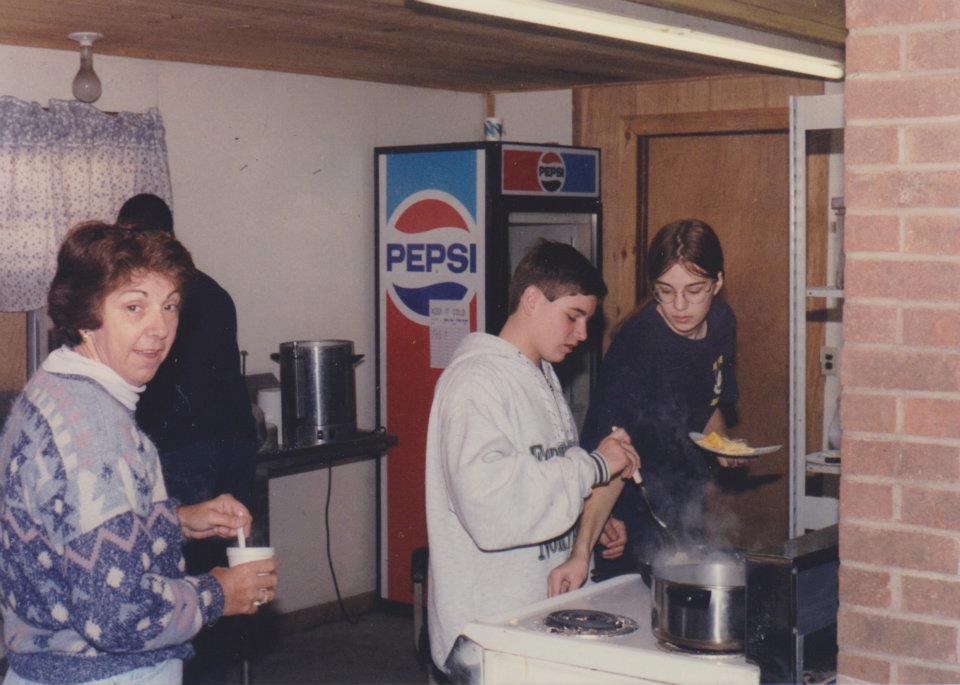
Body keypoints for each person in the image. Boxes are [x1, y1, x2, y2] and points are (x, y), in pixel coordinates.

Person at [0, 223, 278, 685]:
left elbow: (70, 529)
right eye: (134, 307)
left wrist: (177, 519)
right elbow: (117, 613)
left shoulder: (53, 388)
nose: (160, 329)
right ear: (88, 315)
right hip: (105, 674)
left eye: (169, 306)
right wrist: (219, 593)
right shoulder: (97, 430)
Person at [425, 239, 640, 678]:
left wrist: (582, 520)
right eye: (573, 316)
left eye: (587, 320)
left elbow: (539, 471)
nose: (582, 334)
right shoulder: (475, 382)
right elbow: (491, 509)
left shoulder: (538, 373)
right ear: (531, 300)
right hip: (485, 634)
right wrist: (595, 466)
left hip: (531, 617)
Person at [116, 194, 259, 684]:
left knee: (183, 578)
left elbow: (154, 386)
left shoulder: (156, 298)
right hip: (235, 443)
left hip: (186, 448)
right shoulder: (212, 290)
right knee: (228, 570)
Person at [580, 218, 746, 576]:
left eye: (694, 289)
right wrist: (581, 551)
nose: (680, 305)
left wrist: (723, 446)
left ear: (718, 282)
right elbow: (607, 449)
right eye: (666, 291)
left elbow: (707, 403)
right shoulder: (637, 347)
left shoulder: (721, 322)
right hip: (625, 508)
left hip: (683, 499)